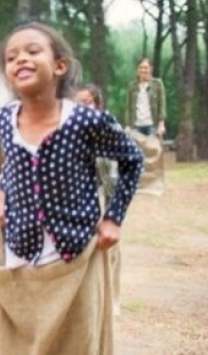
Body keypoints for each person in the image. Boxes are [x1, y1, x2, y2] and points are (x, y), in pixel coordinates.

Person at [0, 22, 143, 355]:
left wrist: (114, 217)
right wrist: (1, 195)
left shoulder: (84, 122)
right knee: (26, 345)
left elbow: (132, 160)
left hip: (72, 252)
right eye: (11, 56)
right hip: (21, 248)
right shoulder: (2, 121)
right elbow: (13, 168)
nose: (20, 59)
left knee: (71, 350)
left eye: (32, 51)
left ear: (59, 65)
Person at [75, 83, 123, 316]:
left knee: (111, 244)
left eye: (87, 103)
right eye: (79, 104)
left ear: (97, 104)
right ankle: (90, 296)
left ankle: (113, 298)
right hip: (87, 191)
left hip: (112, 188)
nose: (83, 108)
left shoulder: (110, 126)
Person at [124, 57, 166, 137]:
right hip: (136, 125)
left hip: (152, 125)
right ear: (137, 69)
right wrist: (127, 125)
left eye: (146, 68)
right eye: (141, 68)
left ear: (150, 69)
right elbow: (128, 107)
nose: (143, 70)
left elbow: (162, 105)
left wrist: (161, 124)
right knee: (136, 149)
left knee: (153, 148)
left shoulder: (158, 84)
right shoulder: (131, 86)